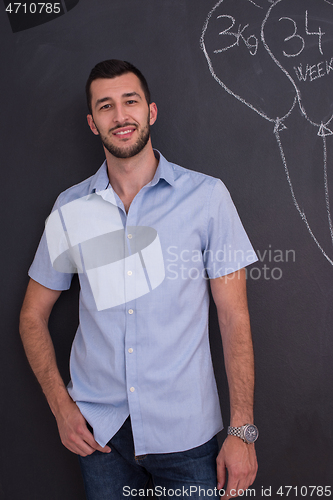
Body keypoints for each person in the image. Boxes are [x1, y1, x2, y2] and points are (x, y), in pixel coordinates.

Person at [19, 59, 258, 499]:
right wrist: (60, 408)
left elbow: (234, 318)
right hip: (101, 438)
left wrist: (242, 431)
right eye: (105, 106)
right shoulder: (70, 209)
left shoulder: (207, 198)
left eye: (130, 101)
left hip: (188, 436)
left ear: (150, 111)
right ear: (93, 124)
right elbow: (31, 317)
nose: (120, 115)